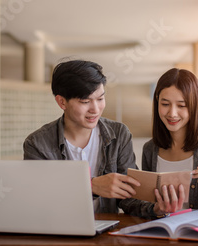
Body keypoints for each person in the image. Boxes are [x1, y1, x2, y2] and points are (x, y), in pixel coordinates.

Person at [23, 59, 140, 213]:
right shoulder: (37, 143)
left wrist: (156, 208)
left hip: (106, 232)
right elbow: (39, 197)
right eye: (85, 101)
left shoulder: (119, 134)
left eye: (100, 99)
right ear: (62, 102)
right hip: (58, 230)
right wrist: (91, 185)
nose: (95, 109)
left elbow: (129, 196)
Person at [120, 68, 198, 218]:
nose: (172, 113)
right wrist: (155, 208)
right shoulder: (150, 149)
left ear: (194, 105)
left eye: (181, 105)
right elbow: (147, 203)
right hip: (163, 230)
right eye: (165, 104)